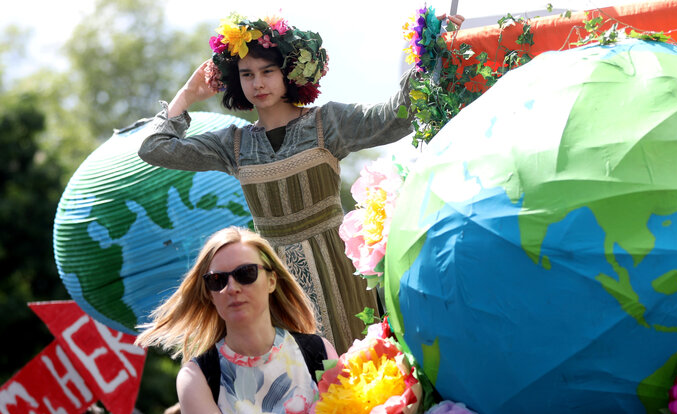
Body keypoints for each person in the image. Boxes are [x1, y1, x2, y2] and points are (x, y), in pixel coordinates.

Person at [137, 12, 463, 353]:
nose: (258, 84)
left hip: (340, 268)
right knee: (296, 379)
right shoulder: (232, 144)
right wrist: (189, 93)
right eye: (247, 75)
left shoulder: (328, 122)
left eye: (267, 72)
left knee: (358, 368)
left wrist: (429, 46)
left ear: (289, 72)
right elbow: (154, 148)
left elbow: (398, 116)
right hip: (274, 285)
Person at [136, 226, 337, 414]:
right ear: (210, 295)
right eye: (217, 280)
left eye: (246, 273)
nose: (231, 288)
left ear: (271, 281)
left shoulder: (319, 351)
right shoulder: (196, 377)